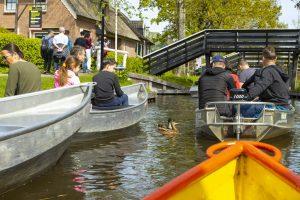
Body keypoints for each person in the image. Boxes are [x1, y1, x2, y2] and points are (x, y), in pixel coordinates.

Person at [241, 47, 290, 117]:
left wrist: (245, 98)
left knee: (239, 108)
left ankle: (244, 127)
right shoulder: (281, 72)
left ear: (263, 58)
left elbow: (260, 86)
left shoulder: (268, 71)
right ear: (276, 58)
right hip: (285, 106)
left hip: (274, 106)